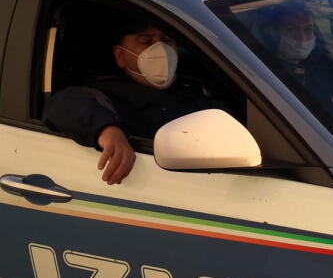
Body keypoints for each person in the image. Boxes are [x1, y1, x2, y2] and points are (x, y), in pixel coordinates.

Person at [43, 12, 229, 184]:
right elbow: (64, 103)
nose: (161, 50)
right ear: (120, 55)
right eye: (146, 42)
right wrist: (108, 130)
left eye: (167, 40)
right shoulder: (107, 94)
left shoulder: (194, 85)